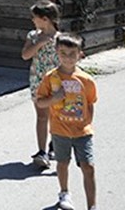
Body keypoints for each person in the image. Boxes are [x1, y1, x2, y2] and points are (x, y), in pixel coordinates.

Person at [36, 33, 98, 210]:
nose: (68, 58)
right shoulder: (51, 77)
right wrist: (54, 99)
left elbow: (90, 103)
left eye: (72, 54)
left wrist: (87, 124)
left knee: (89, 166)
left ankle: (92, 206)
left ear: (80, 54)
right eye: (63, 53)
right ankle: (64, 193)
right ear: (56, 52)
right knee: (62, 163)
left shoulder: (86, 80)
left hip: (82, 131)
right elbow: (40, 102)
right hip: (59, 130)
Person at [20, 0, 60, 168]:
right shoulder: (33, 36)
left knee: (57, 116)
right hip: (38, 82)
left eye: (34, 17)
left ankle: (56, 146)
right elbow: (25, 55)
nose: (32, 20)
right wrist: (40, 42)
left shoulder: (61, 38)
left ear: (45, 19)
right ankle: (42, 151)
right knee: (42, 116)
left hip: (57, 84)